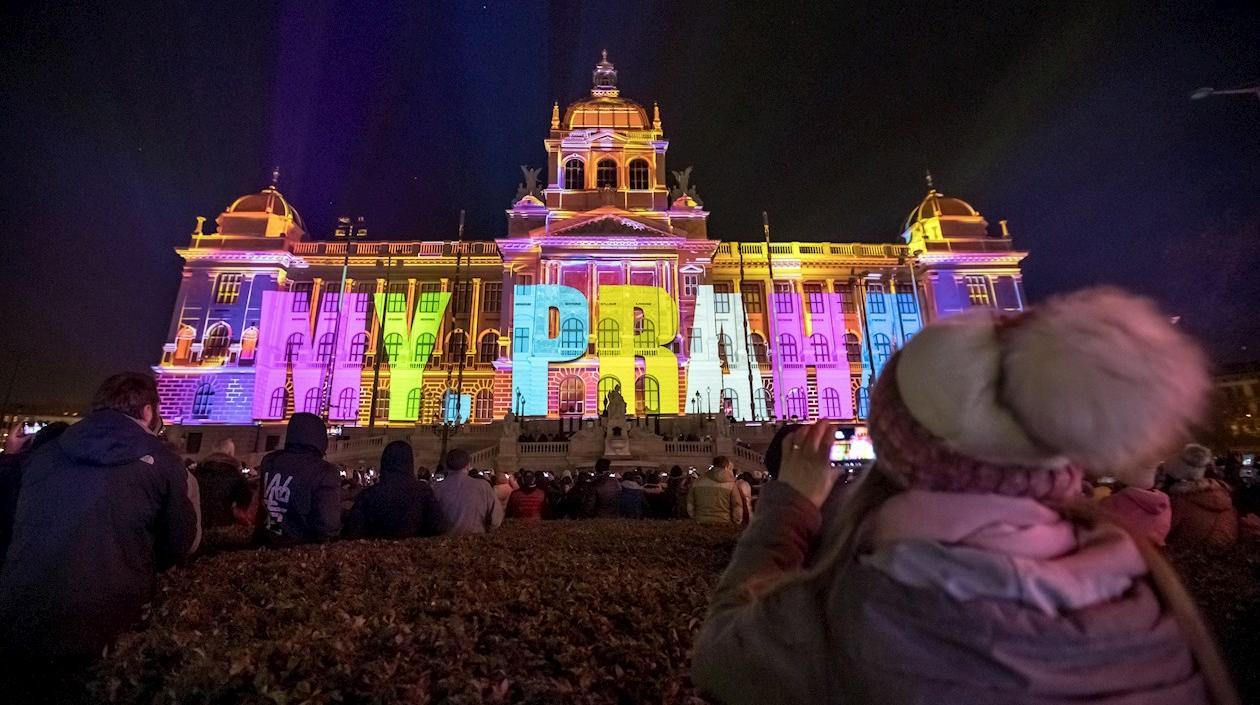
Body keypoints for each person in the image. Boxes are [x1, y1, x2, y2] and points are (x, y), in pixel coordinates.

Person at [692, 289, 1235, 705]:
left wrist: (791, 502)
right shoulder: (1152, 603)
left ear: (900, 452)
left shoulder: (864, 605)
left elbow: (720, 652)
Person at [0, 372, 201, 666]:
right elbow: (181, 543)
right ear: (148, 411)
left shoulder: (45, 453)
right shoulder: (163, 461)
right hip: (109, 633)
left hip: (19, 623)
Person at [255, 412, 342, 546]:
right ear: (320, 438)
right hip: (302, 551)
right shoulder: (324, 471)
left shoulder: (270, 461)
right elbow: (328, 525)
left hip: (263, 545)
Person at [344, 441, 439, 539]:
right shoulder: (424, 493)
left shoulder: (369, 495)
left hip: (375, 552)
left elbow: (352, 533)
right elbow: (436, 529)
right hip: (413, 551)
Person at [1167, 443, 1239, 549]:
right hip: (1223, 559)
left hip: (1186, 559)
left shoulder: (1179, 500)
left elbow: (1164, 534)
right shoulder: (1225, 495)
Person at [432, 448, 503, 534]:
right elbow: (496, 519)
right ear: (469, 466)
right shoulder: (483, 486)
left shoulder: (436, 488)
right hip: (475, 540)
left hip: (444, 542)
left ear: (446, 466)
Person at [1099, 473, 1173, 546]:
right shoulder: (1164, 505)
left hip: (1111, 549)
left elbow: (1096, 525)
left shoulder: (1113, 501)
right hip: (1142, 553)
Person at [194, 438, 247, 530]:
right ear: (230, 453)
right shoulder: (234, 474)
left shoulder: (198, 471)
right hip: (222, 525)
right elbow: (244, 502)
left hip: (196, 524)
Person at [687, 456, 745, 526]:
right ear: (727, 466)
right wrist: (736, 522)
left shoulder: (697, 482)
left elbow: (690, 505)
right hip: (724, 523)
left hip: (701, 522)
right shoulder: (731, 484)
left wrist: (694, 517)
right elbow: (737, 506)